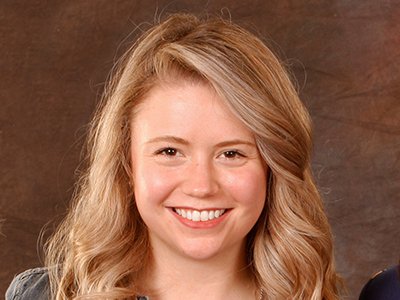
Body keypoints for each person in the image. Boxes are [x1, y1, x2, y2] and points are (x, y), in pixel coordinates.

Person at [6, 13, 341, 299]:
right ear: (127, 162)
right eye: (170, 151)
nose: (201, 186)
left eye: (231, 153)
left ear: (273, 166)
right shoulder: (44, 294)